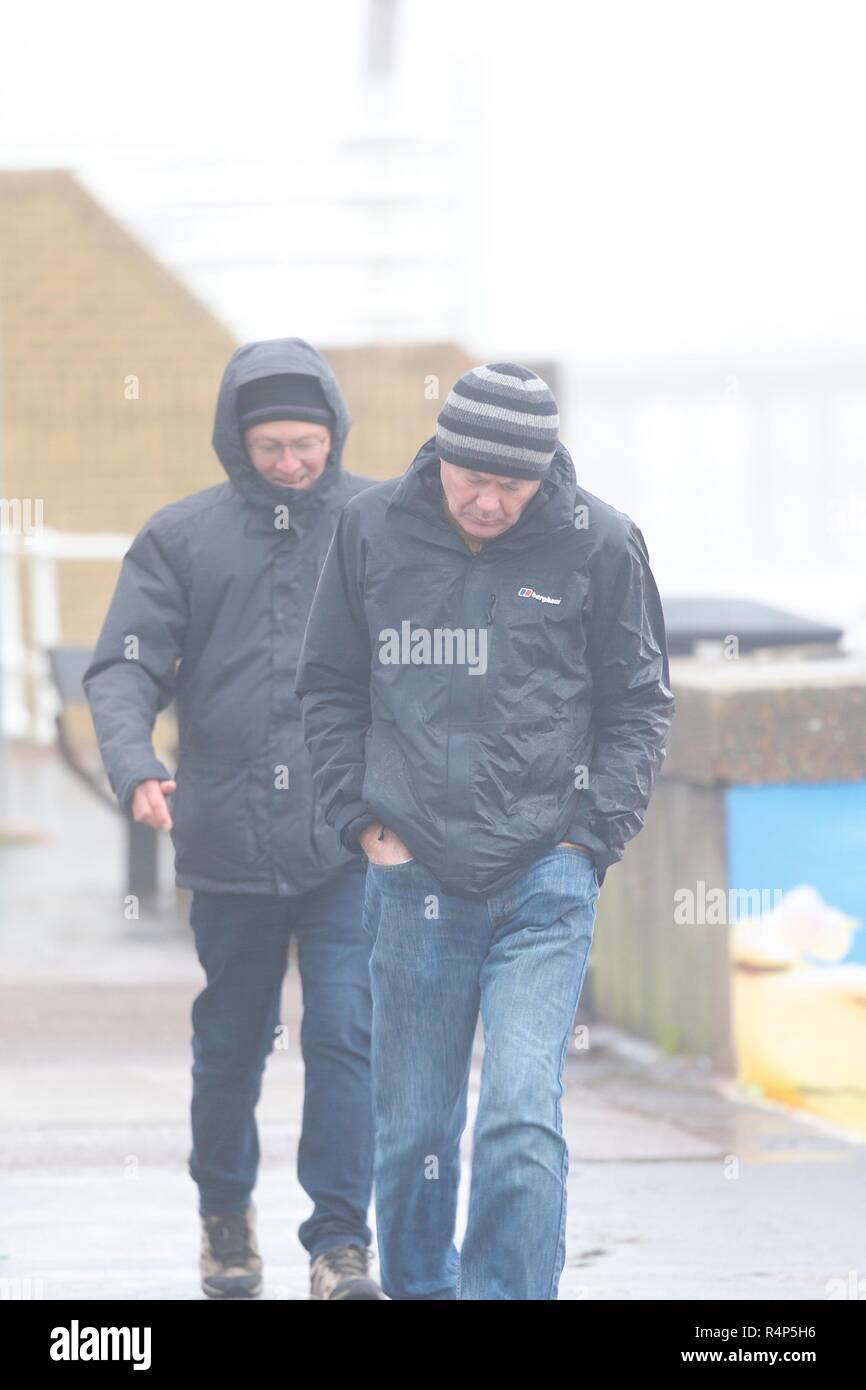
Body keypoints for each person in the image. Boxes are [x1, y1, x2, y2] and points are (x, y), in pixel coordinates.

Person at [295, 362, 676, 1300]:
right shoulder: (371, 529)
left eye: (514, 484)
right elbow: (329, 687)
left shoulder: (601, 543)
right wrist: (364, 826)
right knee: (416, 1130)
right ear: (443, 457)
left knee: (519, 1113)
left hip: (546, 876)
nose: (490, 502)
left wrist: (587, 841)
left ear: (546, 472)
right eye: (474, 479)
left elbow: (639, 704)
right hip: (412, 877)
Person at [84, 338, 387, 1300]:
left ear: (335, 434)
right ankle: (224, 1217)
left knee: (346, 1033)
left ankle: (340, 1244)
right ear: (236, 442)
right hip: (225, 838)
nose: (290, 463)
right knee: (231, 1043)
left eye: (306, 444)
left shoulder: (381, 526)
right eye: (270, 447)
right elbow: (123, 666)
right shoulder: (181, 537)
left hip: (351, 839)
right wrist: (135, 763)